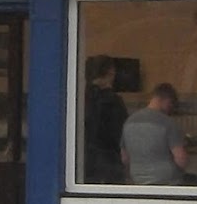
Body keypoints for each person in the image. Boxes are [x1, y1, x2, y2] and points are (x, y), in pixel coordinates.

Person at [120, 82, 190, 185]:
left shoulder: (129, 121)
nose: (170, 109)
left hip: (138, 180)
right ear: (167, 100)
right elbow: (180, 158)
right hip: (167, 181)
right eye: (171, 105)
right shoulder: (167, 123)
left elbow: (125, 158)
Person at [81, 54, 127, 183]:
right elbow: (121, 133)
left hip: (83, 160)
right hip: (109, 161)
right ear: (111, 72)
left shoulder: (79, 99)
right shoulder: (113, 101)